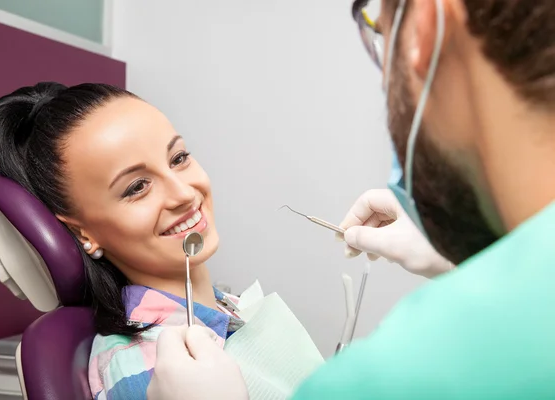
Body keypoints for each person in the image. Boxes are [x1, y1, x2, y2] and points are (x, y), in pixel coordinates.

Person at [150, 0, 555, 398]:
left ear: (424, 29)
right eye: (137, 186)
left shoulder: (394, 376)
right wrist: (471, 262)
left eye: (380, 35)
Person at [0, 82, 246, 400]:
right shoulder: (142, 370)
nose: (185, 194)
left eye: (178, 158)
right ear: (82, 234)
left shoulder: (224, 309)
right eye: (137, 187)